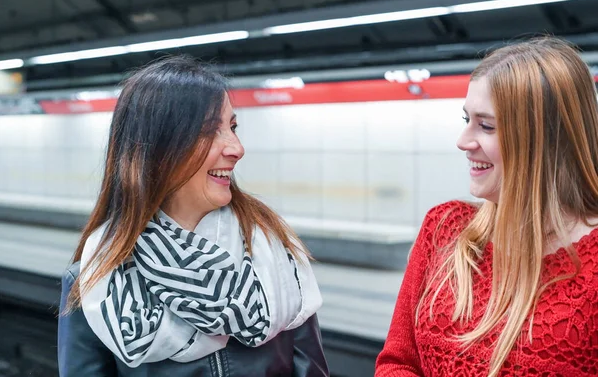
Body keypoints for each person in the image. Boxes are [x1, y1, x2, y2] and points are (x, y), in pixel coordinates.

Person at [58, 56, 329, 377]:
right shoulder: (95, 281)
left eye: (232, 127)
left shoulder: (275, 256)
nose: (237, 148)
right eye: (208, 130)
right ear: (156, 149)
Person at [375, 37, 598, 377]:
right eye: (467, 119)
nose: (463, 141)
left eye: (486, 125)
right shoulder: (444, 229)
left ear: (545, 141)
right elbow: (397, 363)